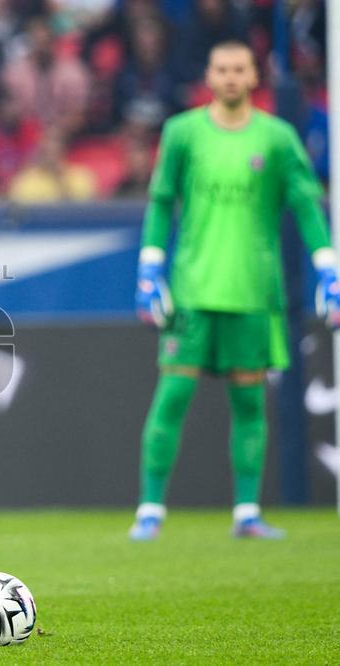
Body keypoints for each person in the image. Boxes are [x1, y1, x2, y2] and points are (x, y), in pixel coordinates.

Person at [130, 41, 339, 541]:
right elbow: (161, 202)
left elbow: (308, 205)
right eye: (220, 68)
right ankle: (150, 510)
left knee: (249, 405)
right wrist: (149, 269)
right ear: (209, 74)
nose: (229, 77)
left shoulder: (277, 138)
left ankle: (246, 512)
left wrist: (327, 268)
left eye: (238, 69)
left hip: (252, 291)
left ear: (253, 76)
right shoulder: (182, 133)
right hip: (193, 290)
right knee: (172, 396)